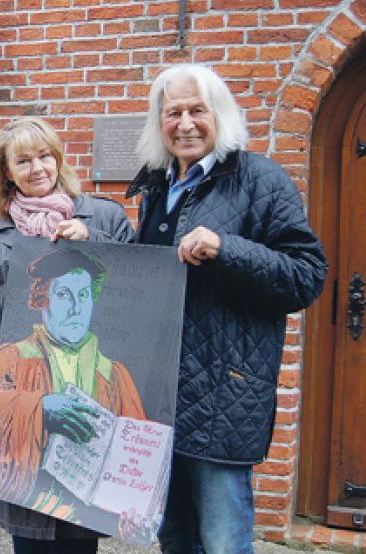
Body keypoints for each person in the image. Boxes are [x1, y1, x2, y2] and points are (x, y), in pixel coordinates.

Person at [127, 64, 327, 554]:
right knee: (174, 537)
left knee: (223, 542)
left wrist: (225, 249)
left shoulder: (261, 180)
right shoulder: (156, 186)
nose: (185, 124)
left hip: (222, 394)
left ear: (220, 114)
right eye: (173, 113)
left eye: (197, 110)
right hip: (160, 397)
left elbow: (305, 276)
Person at [0, 117, 134, 554]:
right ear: (7, 171)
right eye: (23, 161)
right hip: (24, 395)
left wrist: (94, 241)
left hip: (90, 394)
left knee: (80, 533)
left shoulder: (103, 216)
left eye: (45, 156)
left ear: (58, 159)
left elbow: (139, 287)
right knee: (29, 527)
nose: (37, 168)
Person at [0, 249, 146, 532]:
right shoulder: (14, 358)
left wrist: (135, 502)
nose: (76, 308)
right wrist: (40, 407)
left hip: (87, 513)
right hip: (31, 500)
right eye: (63, 295)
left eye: (83, 295)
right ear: (42, 299)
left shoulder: (114, 375)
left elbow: (135, 455)